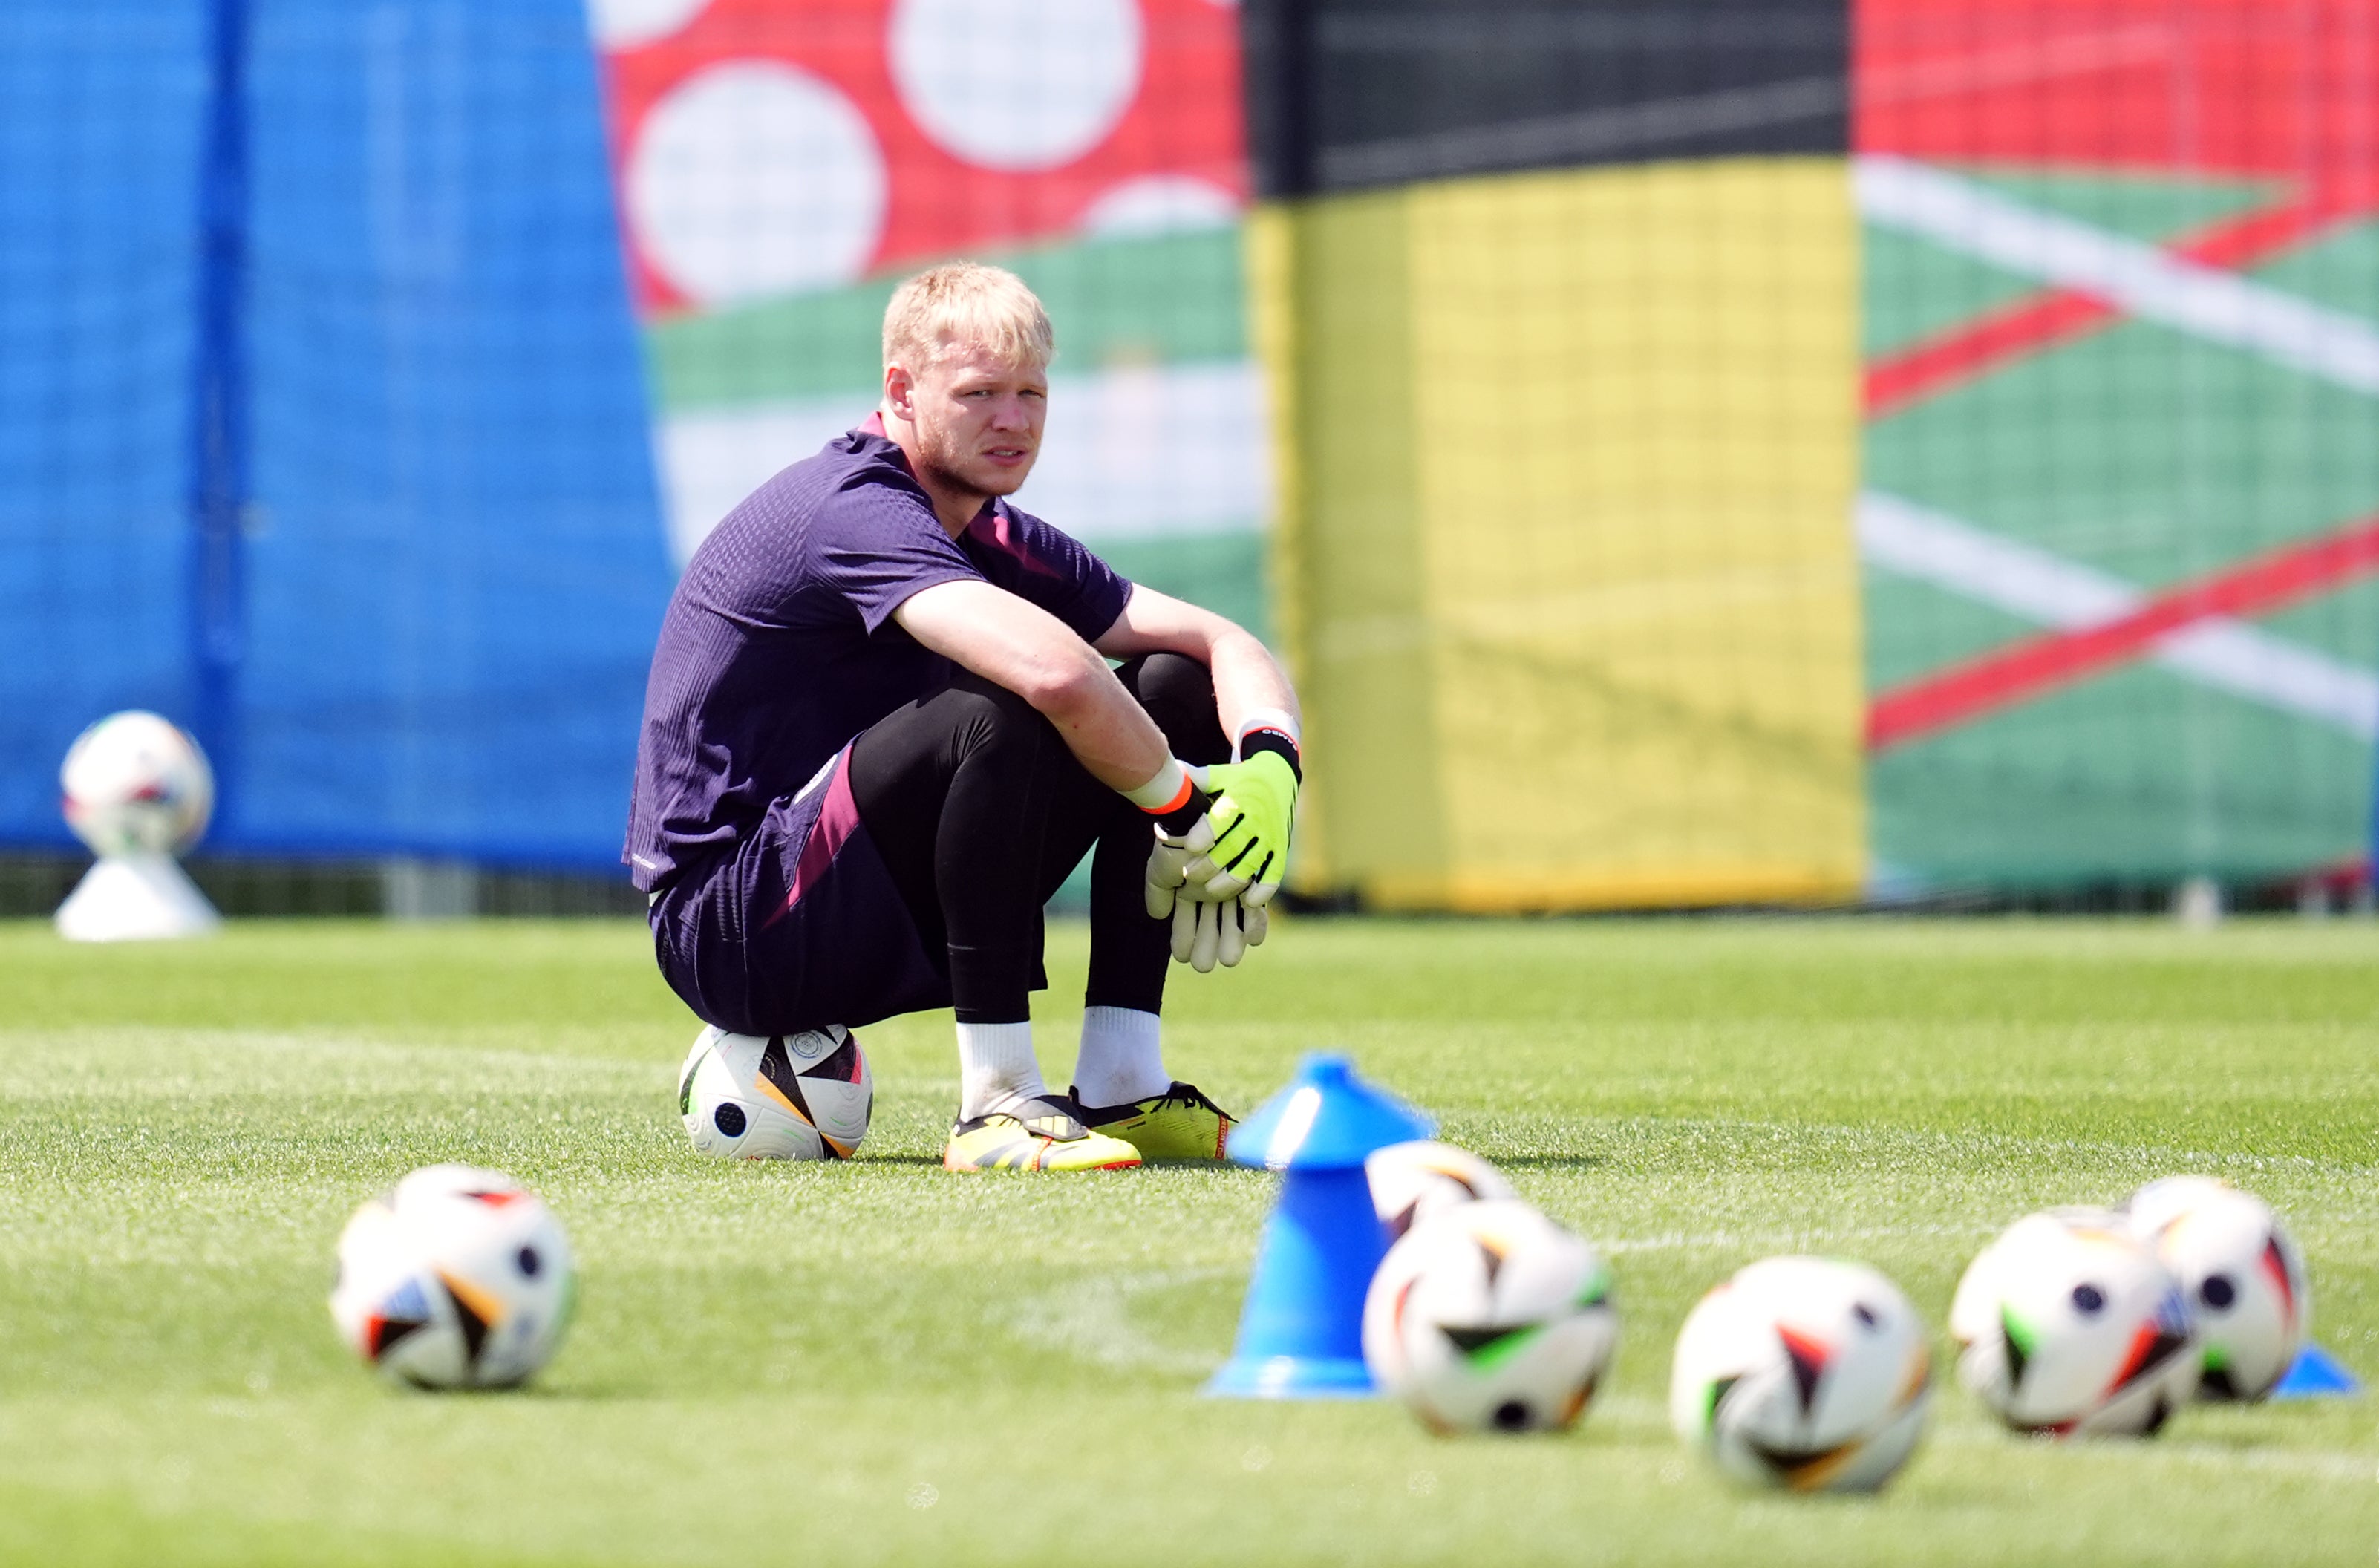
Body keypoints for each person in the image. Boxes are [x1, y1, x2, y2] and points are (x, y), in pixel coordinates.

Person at [626, 261, 1303, 1173]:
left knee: (1170, 681)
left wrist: (1269, 772)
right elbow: (1056, 675)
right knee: (1004, 699)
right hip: (729, 928)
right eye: (979, 392)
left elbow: (1220, 641)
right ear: (901, 392)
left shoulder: (988, 530)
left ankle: (1123, 1085)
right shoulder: (852, 507)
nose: (1014, 419)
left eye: (1032, 392)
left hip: (847, 888)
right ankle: (997, 1105)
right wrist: (1188, 814)